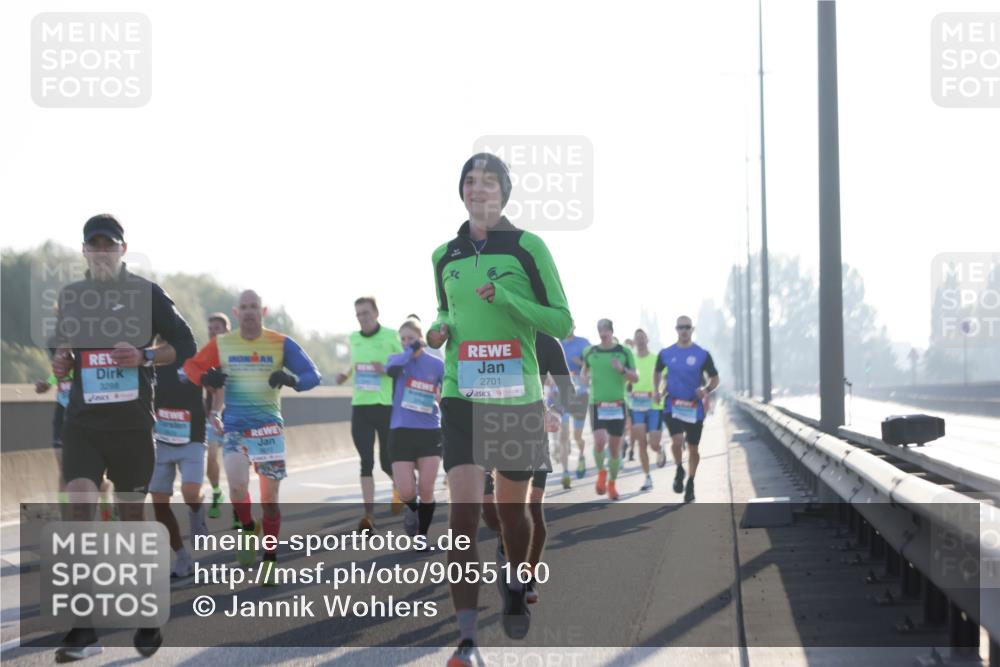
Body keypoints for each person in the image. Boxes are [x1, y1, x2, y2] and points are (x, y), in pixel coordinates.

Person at [429, 153, 572, 666]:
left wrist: (511, 301)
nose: (478, 189)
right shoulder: (444, 254)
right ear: (462, 191)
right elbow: (446, 311)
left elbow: (561, 322)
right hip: (461, 395)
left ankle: (516, 578)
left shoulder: (528, 247)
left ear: (504, 193)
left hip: (515, 399)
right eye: (470, 181)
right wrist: (438, 329)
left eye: (489, 182)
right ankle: (466, 641)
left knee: (514, 517)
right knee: (462, 517)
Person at [51, 214, 196, 660]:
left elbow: (186, 345)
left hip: (132, 426)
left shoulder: (146, 294)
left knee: (132, 522)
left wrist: (146, 354)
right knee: (79, 511)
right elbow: (61, 350)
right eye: (93, 246)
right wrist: (61, 361)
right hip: (83, 424)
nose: (101, 253)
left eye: (108, 246)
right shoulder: (71, 297)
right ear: (84, 252)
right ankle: (82, 628)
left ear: (122, 250)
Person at [183, 289, 321, 583]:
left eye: (253, 307)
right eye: (243, 307)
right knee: (236, 486)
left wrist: (291, 380)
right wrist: (205, 378)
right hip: (235, 428)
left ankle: (270, 560)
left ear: (263, 311)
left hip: (269, 430)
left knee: (270, 500)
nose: (248, 312)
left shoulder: (280, 343)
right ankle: (247, 527)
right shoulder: (223, 343)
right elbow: (191, 367)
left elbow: (313, 376)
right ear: (236, 313)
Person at [482, 332, 571, 605]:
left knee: (533, 505)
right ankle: (506, 541)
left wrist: (554, 411)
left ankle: (526, 577)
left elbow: (568, 391)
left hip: (533, 433)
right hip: (491, 430)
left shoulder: (546, 342)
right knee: (494, 512)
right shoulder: (490, 331)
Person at [335, 296, 403, 532]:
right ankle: (369, 515)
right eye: (359, 314)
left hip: (384, 406)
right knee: (366, 461)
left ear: (376, 313)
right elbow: (355, 364)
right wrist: (345, 374)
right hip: (361, 406)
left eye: (366, 313)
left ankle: (399, 487)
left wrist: (386, 370)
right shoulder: (354, 338)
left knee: (386, 461)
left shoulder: (391, 336)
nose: (362, 318)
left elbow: (404, 364)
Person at [385, 318, 444, 540]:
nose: (407, 342)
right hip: (401, 431)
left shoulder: (436, 364)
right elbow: (390, 370)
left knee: (427, 488)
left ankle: (422, 534)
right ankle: (412, 509)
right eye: (403, 339)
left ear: (421, 338)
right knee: (407, 491)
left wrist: (440, 395)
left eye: (411, 338)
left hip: (429, 431)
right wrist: (409, 352)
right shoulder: (398, 361)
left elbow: (447, 389)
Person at [149, 359, 208, 578]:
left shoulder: (194, 360)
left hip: (191, 439)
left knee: (190, 492)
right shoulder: (148, 362)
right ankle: (182, 556)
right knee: (159, 504)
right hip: (162, 441)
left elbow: (215, 386)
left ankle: (196, 512)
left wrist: (215, 411)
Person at [653, 315, 721, 503]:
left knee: (693, 448)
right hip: (672, 405)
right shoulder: (666, 353)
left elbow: (715, 379)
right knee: (676, 441)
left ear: (692, 329)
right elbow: (657, 372)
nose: (684, 330)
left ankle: (690, 482)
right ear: (676, 330)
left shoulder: (702, 354)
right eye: (680, 327)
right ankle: (678, 468)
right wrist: (657, 391)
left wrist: (706, 389)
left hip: (693, 408)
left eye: (687, 327)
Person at [579, 319, 637, 500]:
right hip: (597, 404)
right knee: (599, 441)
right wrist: (584, 378)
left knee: (614, 449)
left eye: (605, 330)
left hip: (618, 404)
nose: (603, 333)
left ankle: (612, 483)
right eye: (600, 330)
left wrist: (621, 370)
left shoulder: (624, 352)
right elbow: (584, 373)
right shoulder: (590, 352)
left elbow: (635, 378)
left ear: (612, 331)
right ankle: (601, 472)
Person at [629, 328, 667, 491]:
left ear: (647, 339)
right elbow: (626, 382)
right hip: (636, 406)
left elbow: (665, 378)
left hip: (654, 406)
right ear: (634, 341)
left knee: (652, 444)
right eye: (637, 339)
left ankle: (659, 449)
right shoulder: (630, 360)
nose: (640, 341)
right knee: (641, 443)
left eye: (643, 338)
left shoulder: (656, 358)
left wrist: (661, 392)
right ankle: (647, 477)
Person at [203, 312, 231, 524]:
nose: (213, 331)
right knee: (211, 457)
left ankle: (240, 508)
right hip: (212, 414)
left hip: (235, 415)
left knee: (235, 464)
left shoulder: (234, 354)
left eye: (217, 328)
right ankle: (216, 492)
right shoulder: (205, 356)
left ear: (226, 331)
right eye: (210, 328)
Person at [559, 326, 591, 483]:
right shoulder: (558, 343)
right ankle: (565, 473)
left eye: (570, 325)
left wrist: (581, 363)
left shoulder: (583, 343)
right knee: (563, 435)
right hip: (562, 393)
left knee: (577, 435)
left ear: (574, 326)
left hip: (580, 393)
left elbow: (592, 364)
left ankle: (581, 456)